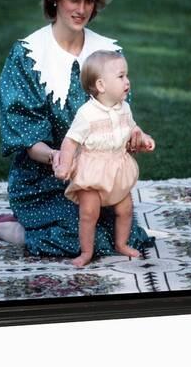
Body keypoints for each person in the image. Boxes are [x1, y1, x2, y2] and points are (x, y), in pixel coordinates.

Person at [0, 0, 155, 258]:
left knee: (128, 238)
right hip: (44, 179)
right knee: (79, 240)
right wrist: (57, 157)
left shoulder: (108, 53)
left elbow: (120, 117)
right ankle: (9, 227)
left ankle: (43, 229)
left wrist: (132, 139)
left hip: (97, 179)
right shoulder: (28, 55)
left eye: (89, 0)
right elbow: (26, 136)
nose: (82, 8)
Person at [54, 50, 155, 267]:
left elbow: (132, 128)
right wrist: (64, 165)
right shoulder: (87, 113)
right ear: (101, 86)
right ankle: (86, 252)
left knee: (125, 209)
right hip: (92, 171)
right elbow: (70, 141)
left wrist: (143, 138)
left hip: (117, 168)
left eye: (127, 76)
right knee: (89, 213)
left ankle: (121, 243)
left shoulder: (124, 108)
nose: (127, 81)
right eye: (121, 77)